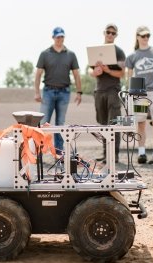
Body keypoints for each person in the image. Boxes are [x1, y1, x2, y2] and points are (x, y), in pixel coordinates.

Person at [34, 27, 82, 156]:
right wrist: (37, 92)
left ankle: (59, 153)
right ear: (53, 37)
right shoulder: (45, 54)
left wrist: (79, 92)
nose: (60, 39)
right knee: (44, 123)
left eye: (62, 37)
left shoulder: (70, 54)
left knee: (60, 124)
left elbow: (76, 74)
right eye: (57, 37)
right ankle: (39, 151)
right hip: (48, 92)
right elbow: (38, 73)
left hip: (64, 92)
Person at [125, 26, 153, 164]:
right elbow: (129, 76)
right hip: (140, 92)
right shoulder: (132, 56)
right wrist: (131, 94)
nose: (145, 38)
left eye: (148, 35)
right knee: (141, 124)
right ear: (137, 37)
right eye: (143, 36)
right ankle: (141, 153)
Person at [88, 23, 126, 164]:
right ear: (104, 33)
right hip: (99, 91)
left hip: (113, 91)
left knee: (114, 123)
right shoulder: (96, 51)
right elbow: (89, 70)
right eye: (108, 32)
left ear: (116, 35)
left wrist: (108, 70)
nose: (110, 35)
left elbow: (122, 73)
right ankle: (105, 154)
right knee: (103, 123)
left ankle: (113, 155)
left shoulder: (119, 52)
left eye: (113, 33)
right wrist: (95, 72)